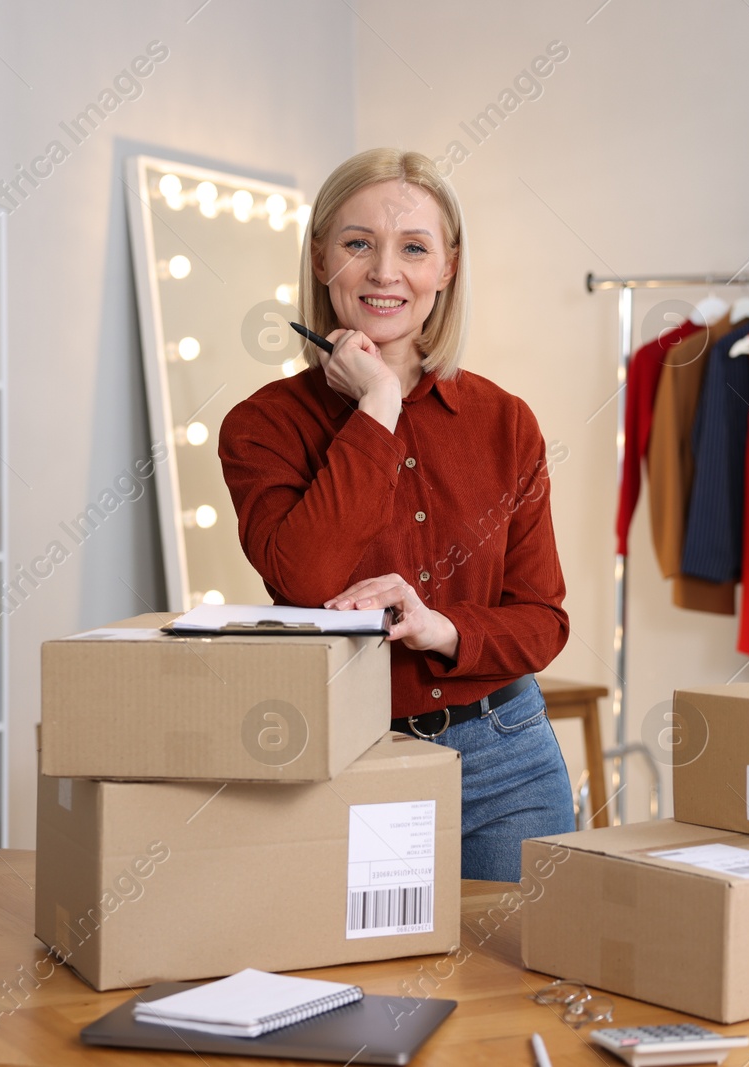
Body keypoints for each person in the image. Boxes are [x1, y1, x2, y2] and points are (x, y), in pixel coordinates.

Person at [218, 147, 576, 881]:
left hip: (510, 763)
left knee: (515, 987)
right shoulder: (260, 428)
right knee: (368, 985)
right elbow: (306, 580)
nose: (386, 271)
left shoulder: (506, 422)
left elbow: (544, 620)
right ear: (321, 259)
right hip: (349, 758)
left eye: (414, 247)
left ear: (446, 268)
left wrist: (441, 627)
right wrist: (378, 405)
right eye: (358, 244)